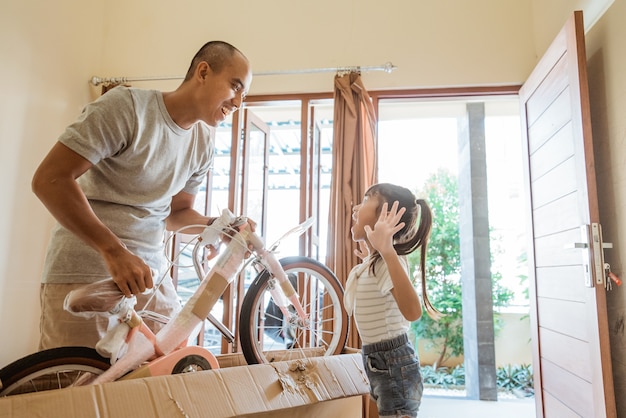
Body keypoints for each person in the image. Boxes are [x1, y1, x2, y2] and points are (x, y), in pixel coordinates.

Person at [32, 40, 253, 351]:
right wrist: (114, 251)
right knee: (76, 392)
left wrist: (216, 225)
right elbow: (49, 179)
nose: (239, 102)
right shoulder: (127, 108)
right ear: (203, 72)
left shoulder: (203, 143)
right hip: (87, 271)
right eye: (235, 86)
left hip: (150, 278)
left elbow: (176, 213)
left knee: (168, 375)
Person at [344, 183, 441, 418]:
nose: (356, 208)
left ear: (385, 216)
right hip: (376, 361)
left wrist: (386, 252)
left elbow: (412, 312)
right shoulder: (378, 262)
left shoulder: (391, 260)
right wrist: (375, 255)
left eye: (367, 199)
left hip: (393, 363)